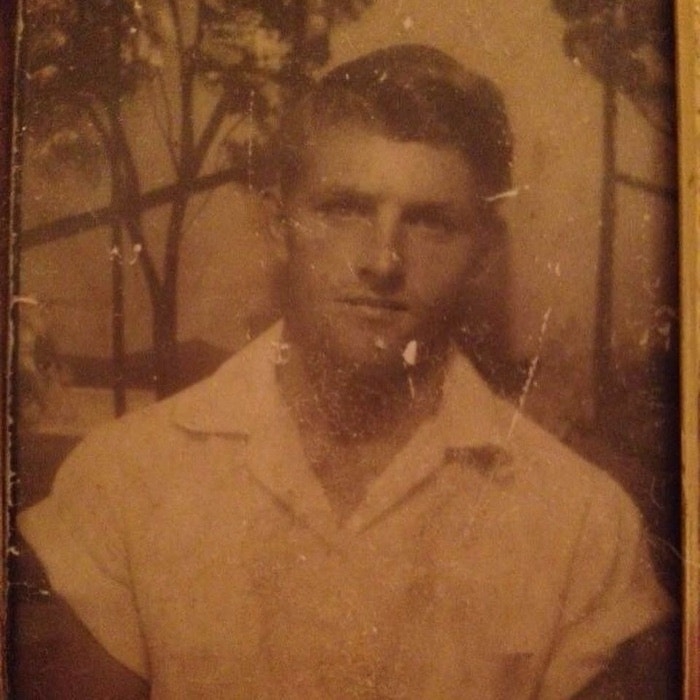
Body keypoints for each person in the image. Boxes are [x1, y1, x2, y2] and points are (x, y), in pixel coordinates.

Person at [17, 44, 676, 698]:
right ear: (279, 226)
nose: (383, 259)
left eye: (429, 222)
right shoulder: (123, 483)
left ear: (483, 252)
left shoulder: (585, 527)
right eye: (345, 209)